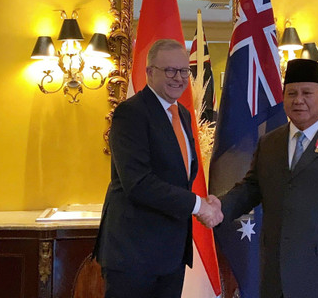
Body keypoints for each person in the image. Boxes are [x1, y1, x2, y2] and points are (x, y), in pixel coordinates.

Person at [212, 59, 318, 298]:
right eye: (291, 93)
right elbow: (251, 188)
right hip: (276, 275)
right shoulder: (270, 143)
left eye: (306, 93)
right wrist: (219, 206)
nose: (298, 100)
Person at [94, 39, 222, 298]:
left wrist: (207, 202)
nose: (179, 78)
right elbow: (138, 184)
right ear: (150, 72)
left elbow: (180, 176)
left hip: (171, 254)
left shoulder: (183, 115)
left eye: (184, 71)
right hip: (133, 255)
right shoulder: (130, 114)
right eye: (170, 71)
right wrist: (198, 206)